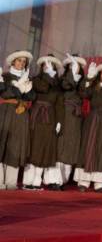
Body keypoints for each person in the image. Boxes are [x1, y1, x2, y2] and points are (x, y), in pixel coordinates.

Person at [75, 62, 102, 192]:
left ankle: (99, 183)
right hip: (94, 119)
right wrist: (88, 77)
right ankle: (83, 182)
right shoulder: (93, 87)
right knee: (89, 147)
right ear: (99, 75)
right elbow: (83, 93)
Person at [23, 54, 64, 190]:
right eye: (46, 64)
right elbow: (43, 88)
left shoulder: (57, 85)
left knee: (48, 148)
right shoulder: (37, 80)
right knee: (34, 147)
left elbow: (59, 104)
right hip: (36, 116)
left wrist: (59, 121)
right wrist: (49, 75)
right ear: (42, 67)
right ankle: (29, 181)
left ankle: (45, 180)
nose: (48, 67)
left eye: (51, 65)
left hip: (50, 117)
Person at [0, 50, 35, 190]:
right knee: (2, 142)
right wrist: (17, 88)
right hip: (6, 112)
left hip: (21, 113)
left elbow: (31, 97)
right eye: (19, 60)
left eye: (24, 62)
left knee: (16, 144)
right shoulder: (6, 76)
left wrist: (27, 89)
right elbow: (4, 93)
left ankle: (11, 181)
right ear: (13, 62)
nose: (21, 63)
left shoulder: (27, 78)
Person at [57, 54, 87, 185]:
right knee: (61, 144)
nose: (75, 67)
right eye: (72, 65)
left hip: (76, 115)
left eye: (77, 65)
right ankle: (57, 179)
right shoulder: (63, 80)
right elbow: (67, 86)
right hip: (64, 113)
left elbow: (84, 93)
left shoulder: (82, 82)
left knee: (72, 144)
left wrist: (88, 78)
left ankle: (65, 178)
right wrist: (72, 75)